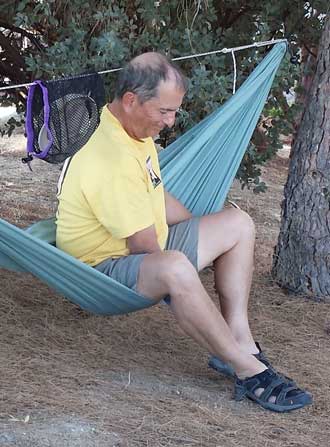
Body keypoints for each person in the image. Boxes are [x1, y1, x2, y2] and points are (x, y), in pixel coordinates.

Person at [56, 52, 312, 412]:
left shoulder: (131, 129)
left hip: (142, 244)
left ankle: (239, 339)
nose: (171, 121)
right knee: (175, 266)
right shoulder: (109, 157)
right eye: (164, 111)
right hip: (101, 268)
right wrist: (191, 270)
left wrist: (204, 233)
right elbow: (145, 249)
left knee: (237, 224)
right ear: (131, 100)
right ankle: (249, 371)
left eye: (174, 111)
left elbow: (155, 192)